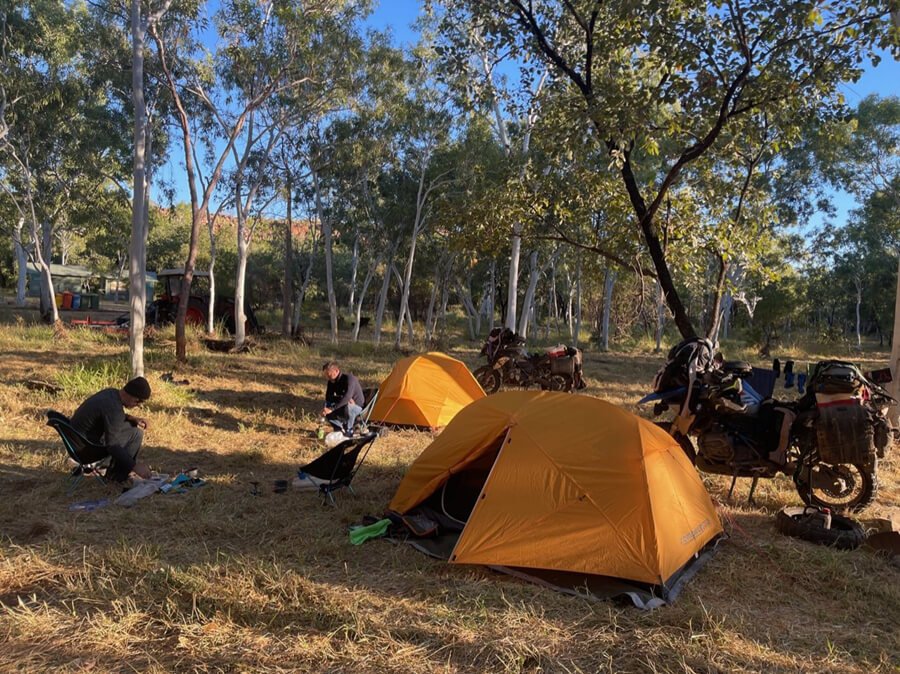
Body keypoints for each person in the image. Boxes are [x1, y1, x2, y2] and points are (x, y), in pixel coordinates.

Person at [71, 376, 152, 482]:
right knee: (136, 434)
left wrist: (133, 418)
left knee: (130, 427)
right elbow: (112, 445)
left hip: (76, 442)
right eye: (137, 402)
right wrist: (134, 466)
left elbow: (111, 416)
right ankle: (116, 476)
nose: (137, 405)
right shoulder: (113, 408)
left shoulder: (111, 394)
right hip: (86, 449)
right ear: (132, 397)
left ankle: (116, 470)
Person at [321, 361, 364, 435]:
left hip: (356, 406)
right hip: (344, 405)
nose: (327, 377)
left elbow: (347, 396)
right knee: (328, 411)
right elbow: (328, 398)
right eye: (326, 375)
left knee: (347, 407)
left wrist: (332, 408)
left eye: (329, 374)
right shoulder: (331, 381)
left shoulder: (349, 379)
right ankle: (339, 429)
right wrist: (326, 409)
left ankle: (349, 430)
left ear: (336, 371)